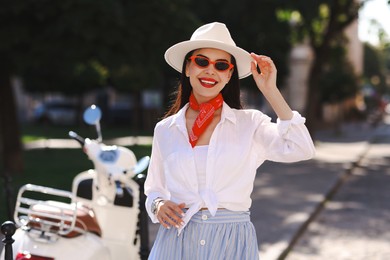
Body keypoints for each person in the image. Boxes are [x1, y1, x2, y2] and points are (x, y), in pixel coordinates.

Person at [144, 22, 315, 260]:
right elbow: (153, 190)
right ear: (188, 67)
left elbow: (301, 148)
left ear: (229, 75)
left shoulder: (250, 123)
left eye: (221, 65)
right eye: (202, 61)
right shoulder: (165, 130)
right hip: (176, 243)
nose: (210, 71)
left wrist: (270, 91)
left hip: (231, 242)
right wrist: (158, 206)